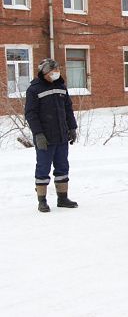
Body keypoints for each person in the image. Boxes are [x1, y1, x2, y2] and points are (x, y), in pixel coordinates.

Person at [25, 58, 78, 212]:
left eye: (57, 70)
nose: (56, 73)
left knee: (62, 166)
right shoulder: (34, 89)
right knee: (43, 168)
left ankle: (62, 198)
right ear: (44, 72)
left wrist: (72, 128)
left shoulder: (61, 86)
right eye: (52, 71)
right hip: (45, 138)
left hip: (62, 135)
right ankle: (42, 201)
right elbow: (31, 114)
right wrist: (38, 134)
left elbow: (68, 109)